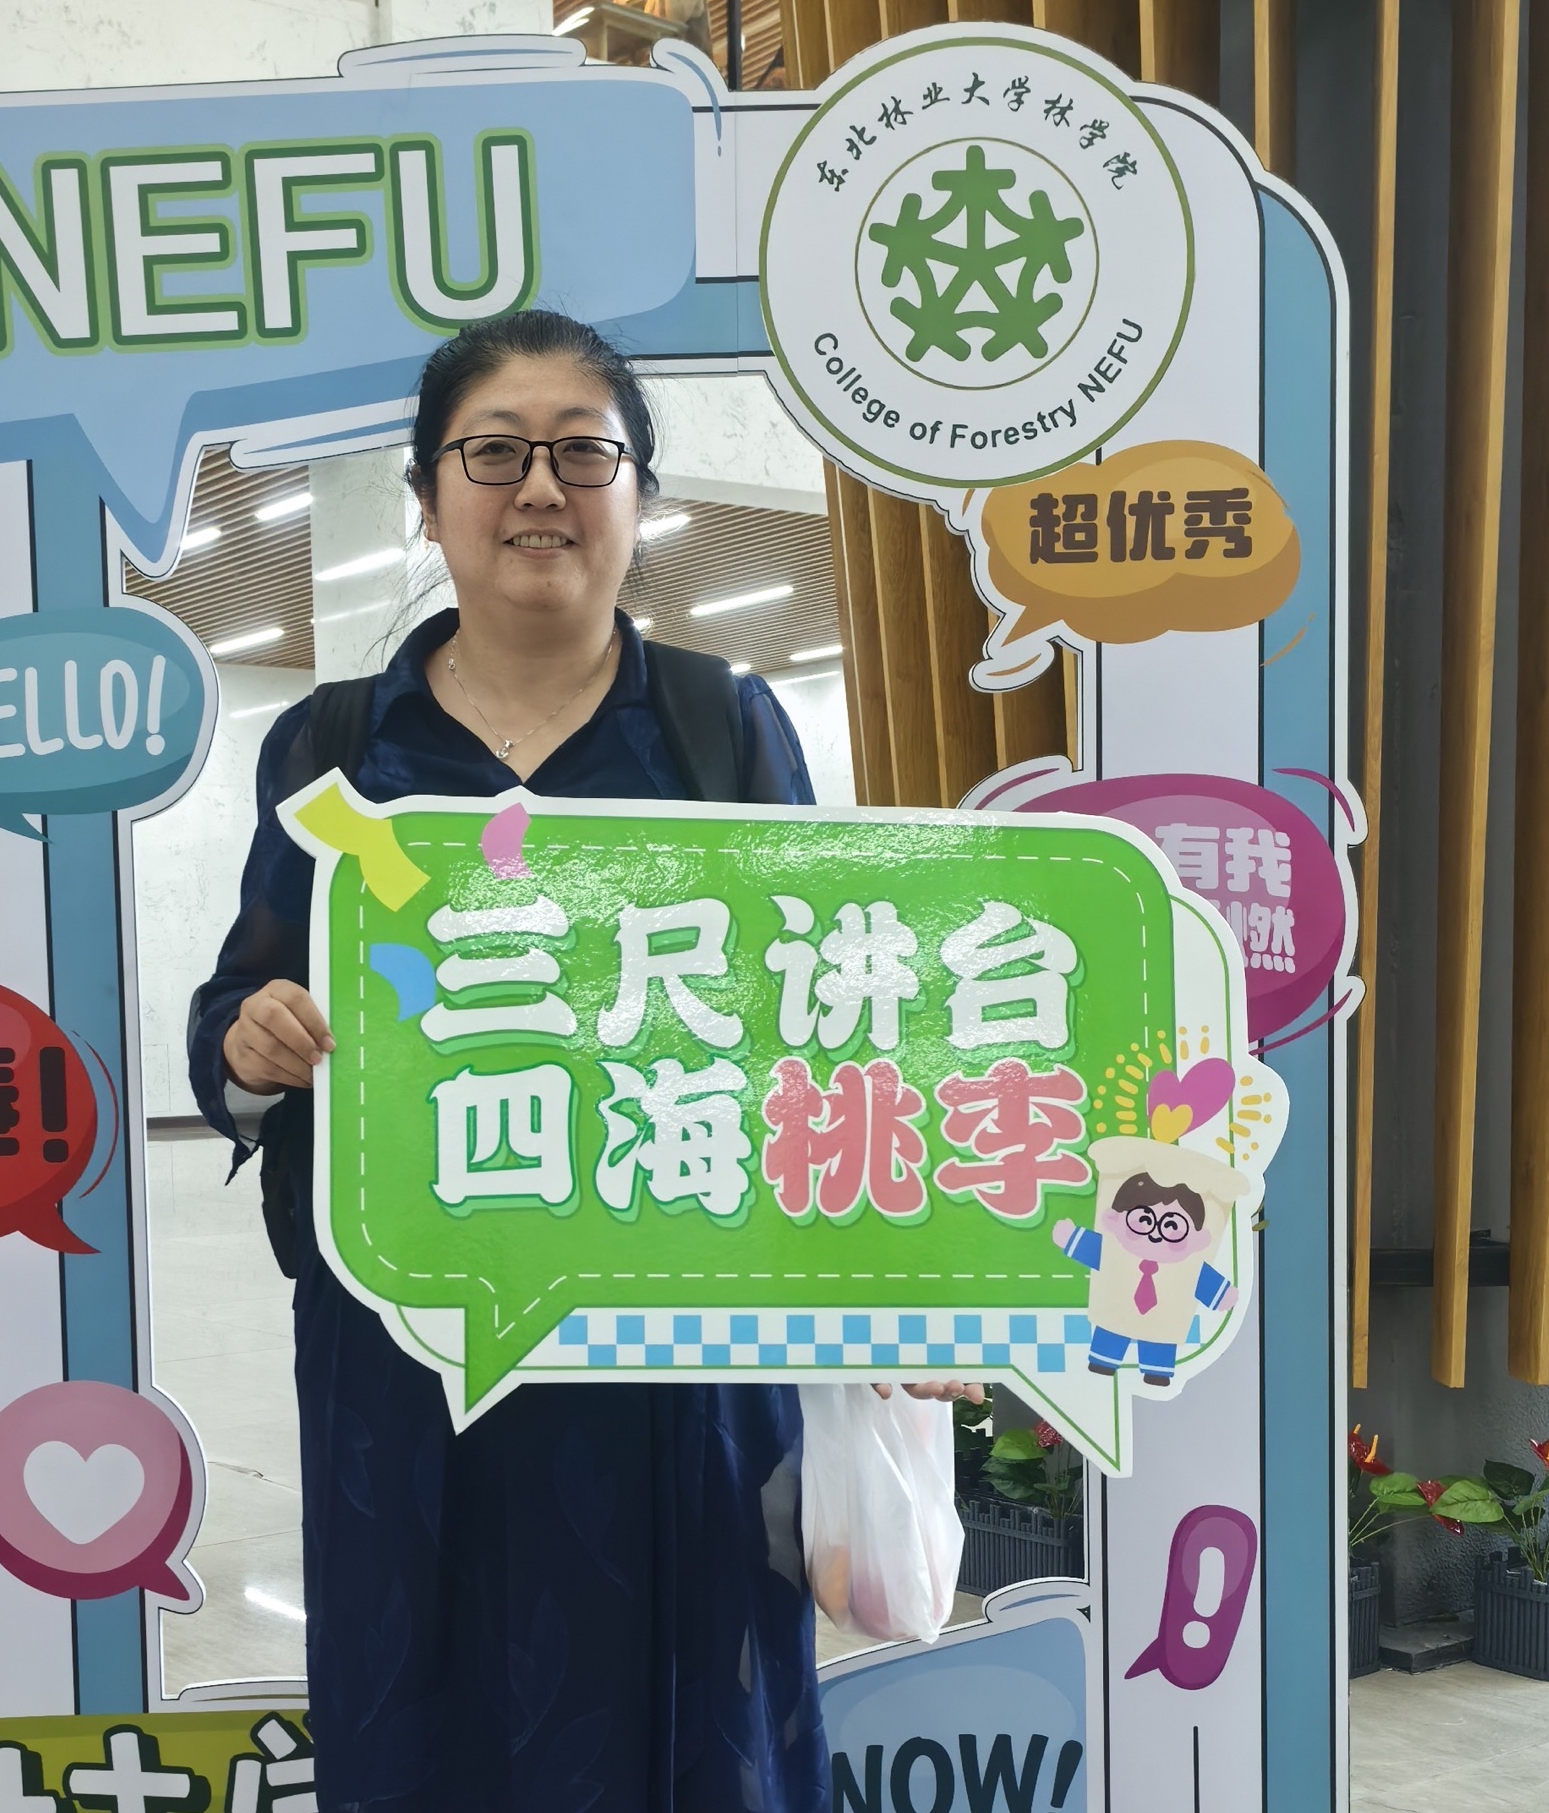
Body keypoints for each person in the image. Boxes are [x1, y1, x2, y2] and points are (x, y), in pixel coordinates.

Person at [189, 308, 969, 1812]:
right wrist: (247, 1041)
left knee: (698, 1729)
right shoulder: (335, 748)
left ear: (638, 497)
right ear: (429, 500)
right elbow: (240, 991)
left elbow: (832, 1019)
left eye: (582, 453)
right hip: (412, 1359)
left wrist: (901, 1272)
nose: (539, 486)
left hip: (675, 1356)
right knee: (423, 1726)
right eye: (493, 453)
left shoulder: (720, 729)